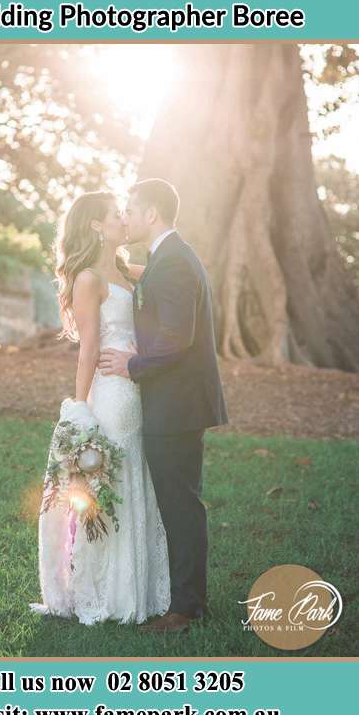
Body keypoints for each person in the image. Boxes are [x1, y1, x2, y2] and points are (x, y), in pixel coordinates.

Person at [29, 191, 170, 625]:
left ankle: (136, 587)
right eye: (115, 216)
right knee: (110, 488)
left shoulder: (130, 272)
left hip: (139, 385)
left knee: (133, 482)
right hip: (112, 393)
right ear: (96, 226)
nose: (123, 221)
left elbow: (173, 275)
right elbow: (88, 347)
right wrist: (79, 408)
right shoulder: (90, 278)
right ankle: (106, 591)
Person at [99, 178, 228, 633]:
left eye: (131, 210)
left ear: (151, 213)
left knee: (179, 506)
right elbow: (151, 295)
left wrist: (131, 363)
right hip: (176, 402)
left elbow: (177, 338)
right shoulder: (167, 259)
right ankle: (186, 600)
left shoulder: (173, 262)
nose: (126, 217)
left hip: (176, 405)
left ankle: (185, 609)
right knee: (180, 502)